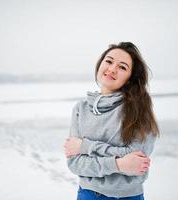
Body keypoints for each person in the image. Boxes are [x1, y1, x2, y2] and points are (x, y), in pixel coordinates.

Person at [64, 42, 160, 200]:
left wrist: (85, 146)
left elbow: (137, 161)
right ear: (100, 63)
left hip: (128, 197)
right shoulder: (81, 109)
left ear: (130, 78)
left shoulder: (139, 108)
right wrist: (119, 164)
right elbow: (75, 162)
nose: (112, 69)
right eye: (108, 61)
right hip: (88, 194)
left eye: (122, 67)